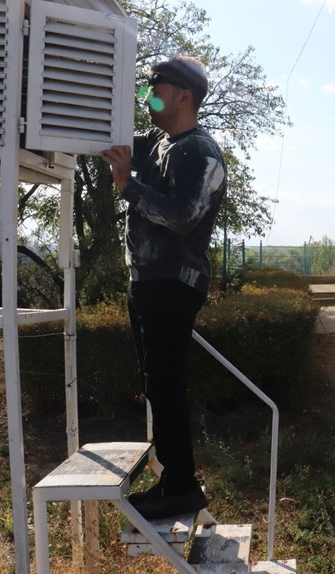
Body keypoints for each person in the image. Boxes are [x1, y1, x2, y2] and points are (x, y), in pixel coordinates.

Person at [101, 56, 227, 520]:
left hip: (174, 283)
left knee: (166, 384)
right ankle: (175, 481)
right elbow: (114, 144)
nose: (148, 100)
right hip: (147, 282)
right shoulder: (159, 142)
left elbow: (182, 216)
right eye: (145, 92)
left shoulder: (200, 152)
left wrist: (127, 186)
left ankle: (180, 487)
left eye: (155, 92)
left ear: (184, 97)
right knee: (156, 382)